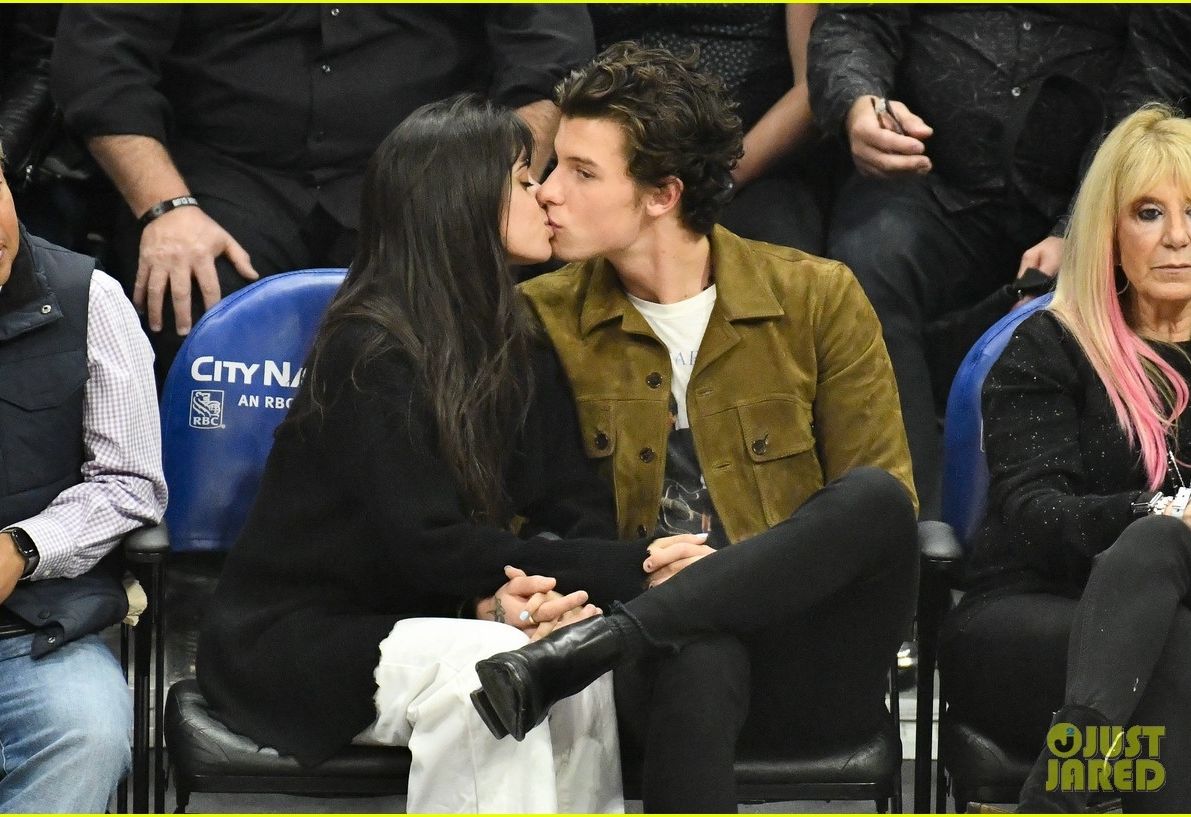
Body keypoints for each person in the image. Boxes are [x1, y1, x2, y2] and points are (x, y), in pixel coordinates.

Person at [195, 95, 707, 814]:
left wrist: (555, 597)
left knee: (572, 652)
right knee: (489, 671)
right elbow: (425, 543)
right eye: (525, 181)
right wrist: (639, 567)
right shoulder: (368, 348)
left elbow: (573, 500)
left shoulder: (514, 337)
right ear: (462, 201)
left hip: (438, 615)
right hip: (301, 638)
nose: (545, 195)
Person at [471, 43, 919, 813]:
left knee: (875, 497)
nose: (546, 192)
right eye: (552, 166)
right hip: (648, 671)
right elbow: (512, 525)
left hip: (806, 656)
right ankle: (629, 634)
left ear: (662, 194)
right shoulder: (538, 320)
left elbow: (879, 516)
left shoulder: (817, 297)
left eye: (582, 172)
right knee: (700, 652)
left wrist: (722, 570)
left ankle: (629, 630)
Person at [807, 4, 1191, 520]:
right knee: (868, 263)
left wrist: (1078, 226)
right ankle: (912, 525)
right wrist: (858, 102)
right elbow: (855, 19)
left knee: (1123, 265)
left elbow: (1159, 74)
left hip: (1085, 192)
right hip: (927, 179)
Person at [50, 4, 593, 383]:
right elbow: (99, 61)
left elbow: (550, 56)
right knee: (188, 290)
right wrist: (166, 207)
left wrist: (491, 190)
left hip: (421, 174)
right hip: (219, 177)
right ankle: (199, 511)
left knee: (448, 302)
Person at [938, 105, 1191, 813]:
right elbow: (1035, 518)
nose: (1177, 237)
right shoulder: (1049, 348)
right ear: (1109, 233)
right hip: (1034, 616)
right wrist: (1170, 512)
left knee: (1170, 596)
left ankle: (1057, 796)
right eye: (1149, 213)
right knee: (1168, 612)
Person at [0, 141, 167, 812]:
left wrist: (22, 547)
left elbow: (129, 482)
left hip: (29, 627)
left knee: (87, 732)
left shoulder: (89, 298)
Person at [590, 4, 828, 255]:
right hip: (615, 150)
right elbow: (568, 55)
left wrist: (723, 177)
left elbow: (810, 88)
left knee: (778, 255)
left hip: (747, 160)